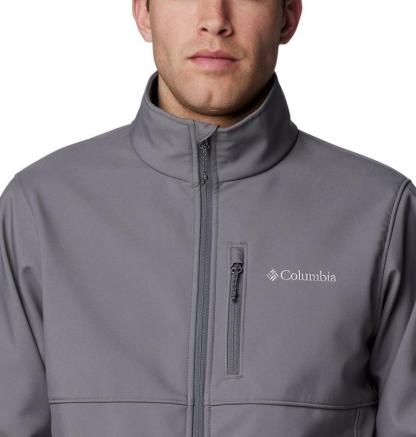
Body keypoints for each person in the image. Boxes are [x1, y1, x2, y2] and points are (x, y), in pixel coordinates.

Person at [0, 0, 415, 435]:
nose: (215, 19)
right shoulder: (39, 210)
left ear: (288, 16)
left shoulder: (382, 214)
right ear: (144, 13)